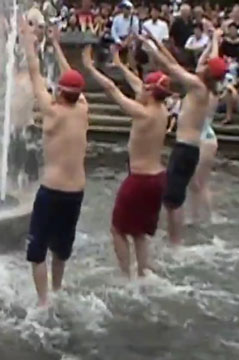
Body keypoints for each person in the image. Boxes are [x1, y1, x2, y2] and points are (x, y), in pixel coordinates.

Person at [83, 46, 170, 278]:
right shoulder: (163, 110)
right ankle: (143, 272)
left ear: (150, 93)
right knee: (139, 231)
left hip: (140, 179)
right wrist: (120, 65)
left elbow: (112, 90)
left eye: (145, 88)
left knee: (117, 229)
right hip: (158, 178)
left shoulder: (143, 114)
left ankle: (126, 277)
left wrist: (90, 68)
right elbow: (138, 85)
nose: (139, 89)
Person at [20, 22, 88, 306]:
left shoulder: (51, 111)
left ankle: (43, 300)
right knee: (61, 247)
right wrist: (57, 46)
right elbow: (73, 80)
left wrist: (28, 42)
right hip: (76, 191)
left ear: (59, 92)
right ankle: (57, 290)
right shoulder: (84, 109)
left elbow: (35, 72)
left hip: (52, 190)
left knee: (37, 250)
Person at [139, 28, 226, 245]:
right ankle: (175, 236)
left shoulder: (198, 86)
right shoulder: (206, 86)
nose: (203, 63)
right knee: (173, 197)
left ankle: (175, 242)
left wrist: (151, 48)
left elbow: (171, 68)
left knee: (172, 200)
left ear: (207, 72)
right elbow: (176, 63)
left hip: (185, 148)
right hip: (190, 148)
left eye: (206, 64)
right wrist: (157, 43)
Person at [188, 94, 218, 223]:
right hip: (205, 137)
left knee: (198, 183)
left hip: (203, 140)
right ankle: (197, 214)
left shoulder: (206, 95)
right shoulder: (209, 94)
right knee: (196, 184)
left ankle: (208, 216)